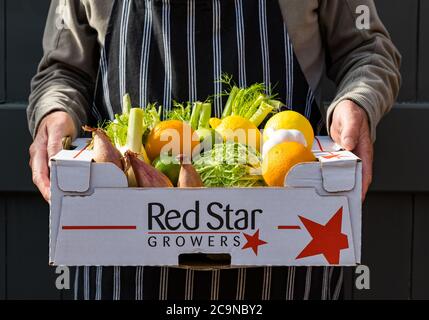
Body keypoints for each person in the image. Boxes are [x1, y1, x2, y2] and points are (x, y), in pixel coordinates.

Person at [27, 0, 401, 300]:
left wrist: (358, 103)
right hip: (124, 261)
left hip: (286, 257)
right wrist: (55, 113)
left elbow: (366, 50)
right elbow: (63, 70)